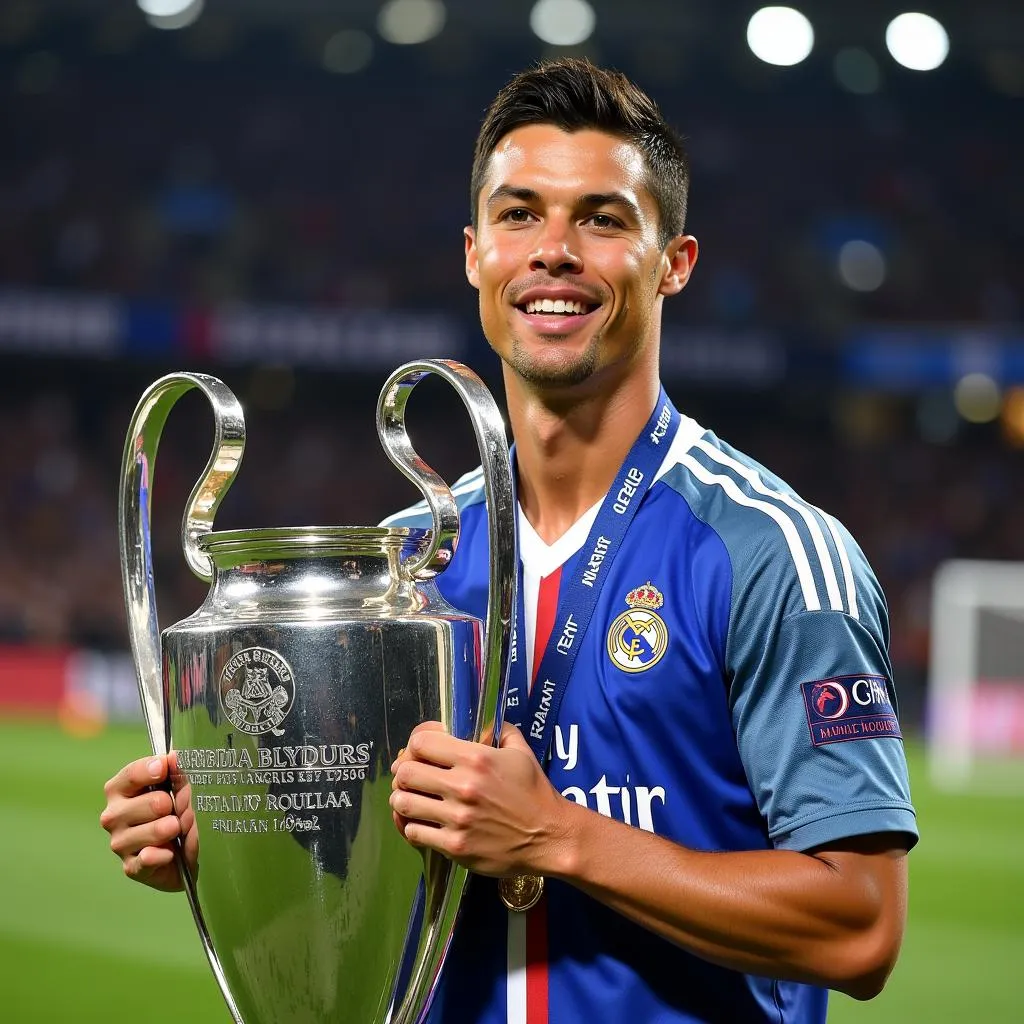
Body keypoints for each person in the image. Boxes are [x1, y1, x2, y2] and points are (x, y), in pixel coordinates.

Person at [101, 58, 917, 1023]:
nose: (554, 251)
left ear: (674, 263)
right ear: (474, 253)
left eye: (603, 219)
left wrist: (554, 837)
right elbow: (355, 864)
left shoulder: (773, 554)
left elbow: (860, 929)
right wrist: (215, 837)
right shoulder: (403, 566)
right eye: (518, 214)